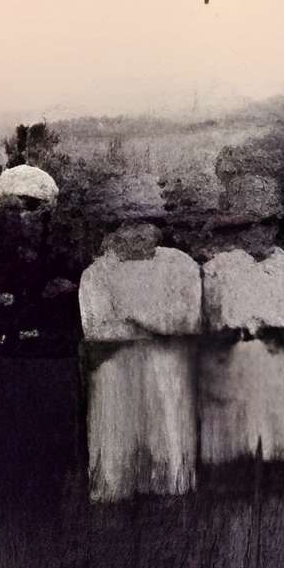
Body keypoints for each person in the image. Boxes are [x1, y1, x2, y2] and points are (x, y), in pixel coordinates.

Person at [0, 163, 84, 508]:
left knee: (46, 434)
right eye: (13, 206)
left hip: (45, 358)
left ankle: (48, 494)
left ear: (44, 209)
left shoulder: (62, 247)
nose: (21, 215)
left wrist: (57, 298)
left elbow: (72, 298)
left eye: (31, 206)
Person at [80, 176, 202, 503]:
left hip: (168, 366)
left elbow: (186, 319)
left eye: (145, 225)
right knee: (117, 434)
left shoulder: (180, 265)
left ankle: (172, 496)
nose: (137, 234)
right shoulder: (97, 274)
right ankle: (115, 495)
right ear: (114, 231)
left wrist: (136, 319)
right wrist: (155, 324)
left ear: (158, 228)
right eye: (127, 226)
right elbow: (97, 329)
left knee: (168, 433)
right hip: (115, 368)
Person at [199, 174, 284, 478]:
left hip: (281, 358)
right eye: (247, 227)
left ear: (275, 228)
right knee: (236, 436)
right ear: (236, 231)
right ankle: (234, 476)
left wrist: (279, 329)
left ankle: (281, 477)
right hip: (233, 359)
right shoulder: (217, 271)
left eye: (264, 225)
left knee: (280, 434)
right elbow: (209, 318)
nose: (256, 234)